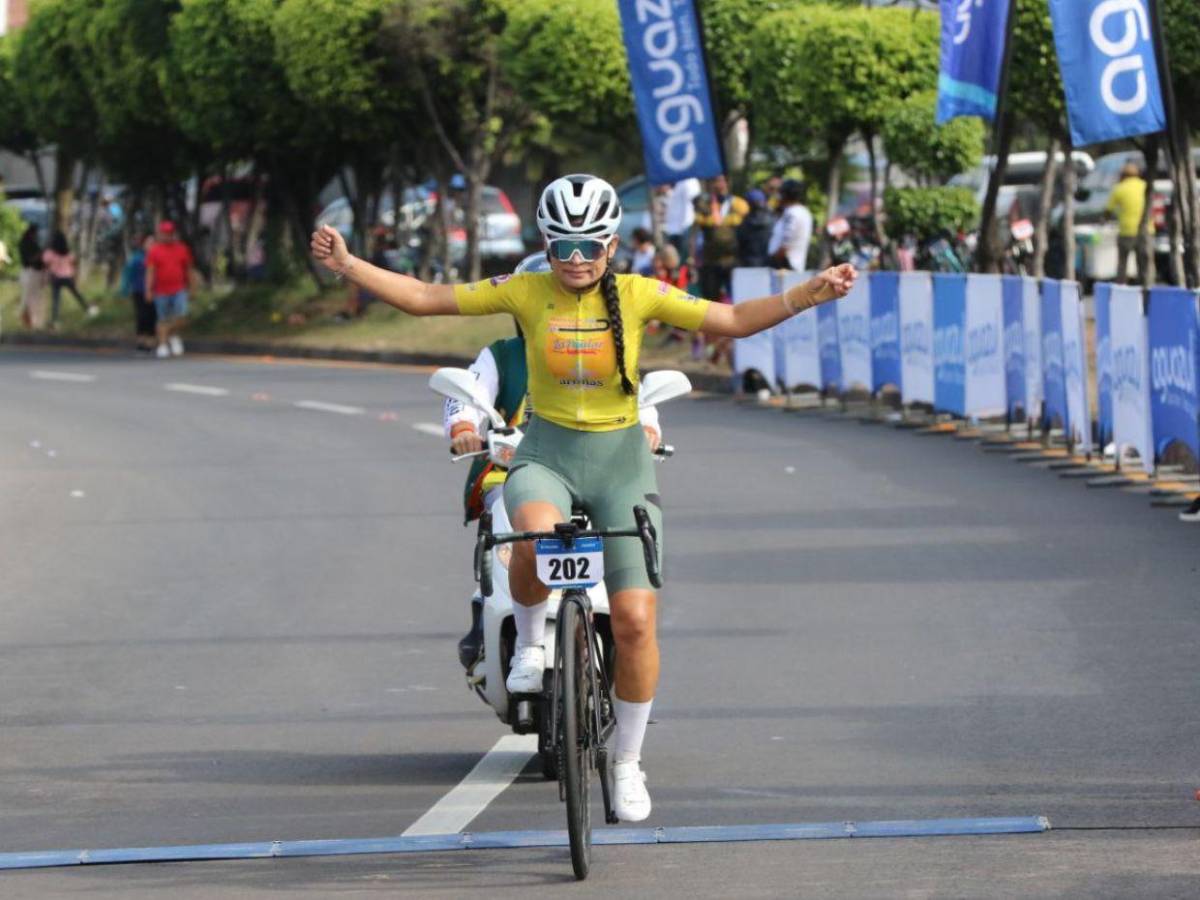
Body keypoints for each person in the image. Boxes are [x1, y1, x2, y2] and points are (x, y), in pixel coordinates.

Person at [311, 173, 855, 822]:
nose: (575, 260)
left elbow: (733, 320)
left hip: (621, 468)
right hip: (547, 456)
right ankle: (534, 645)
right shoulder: (525, 290)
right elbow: (427, 298)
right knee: (533, 538)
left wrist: (810, 293)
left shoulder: (639, 293)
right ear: (546, 241)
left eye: (589, 247)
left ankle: (625, 762)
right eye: (563, 245)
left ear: (612, 244)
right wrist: (348, 264)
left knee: (635, 623)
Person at [448, 251, 663, 669]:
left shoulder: (608, 346)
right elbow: (467, 395)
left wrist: (649, 431)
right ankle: (494, 617)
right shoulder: (501, 356)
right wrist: (464, 431)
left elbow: (637, 401)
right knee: (513, 537)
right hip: (510, 471)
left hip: (600, 471)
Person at [691, 174, 749, 302]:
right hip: (711, 261)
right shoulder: (704, 204)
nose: (718, 185)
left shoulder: (737, 203)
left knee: (736, 297)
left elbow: (744, 217)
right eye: (714, 181)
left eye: (720, 181)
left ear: (727, 183)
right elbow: (698, 223)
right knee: (711, 299)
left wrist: (720, 221)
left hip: (732, 259)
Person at [145, 220, 195, 358]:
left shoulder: (182, 249)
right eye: (164, 233)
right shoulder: (154, 250)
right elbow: (150, 271)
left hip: (179, 289)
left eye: (170, 233)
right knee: (163, 318)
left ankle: (172, 335)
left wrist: (192, 287)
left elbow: (189, 269)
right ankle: (162, 344)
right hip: (161, 290)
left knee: (181, 317)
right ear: (160, 234)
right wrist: (148, 290)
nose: (167, 236)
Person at [1104, 162, 1150, 285]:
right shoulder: (1145, 186)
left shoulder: (1119, 188)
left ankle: (1121, 286)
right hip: (1146, 230)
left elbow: (1108, 211)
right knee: (1144, 263)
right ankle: (1146, 286)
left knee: (1123, 262)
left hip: (1126, 231)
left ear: (1123, 175)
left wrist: (1104, 221)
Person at [43, 230, 97, 326]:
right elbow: (73, 262)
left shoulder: (50, 252)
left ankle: (55, 320)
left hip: (55, 278)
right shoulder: (68, 252)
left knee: (56, 300)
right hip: (68, 277)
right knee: (77, 294)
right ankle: (89, 309)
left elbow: (45, 262)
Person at [769, 179, 814, 272]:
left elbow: (786, 243)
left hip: (785, 266)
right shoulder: (803, 212)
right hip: (794, 265)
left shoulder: (792, 213)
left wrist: (775, 259)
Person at [120, 235, 156, 351]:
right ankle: (141, 340)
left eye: (153, 243)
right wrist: (125, 290)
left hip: (155, 291)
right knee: (142, 315)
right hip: (139, 290)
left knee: (152, 316)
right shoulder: (137, 258)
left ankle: (150, 341)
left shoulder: (158, 256)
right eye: (148, 243)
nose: (151, 245)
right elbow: (127, 274)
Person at [663, 177, 700, 262]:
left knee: (684, 260)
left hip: (685, 226)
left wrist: (685, 227)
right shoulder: (677, 181)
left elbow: (691, 205)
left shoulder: (690, 181)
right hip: (673, 228)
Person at [18, 224, 47, 330]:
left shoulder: (29, 243)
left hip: (32, 272)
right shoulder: (27, 244)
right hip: (31, 272)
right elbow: (30, 259)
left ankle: (31, 321)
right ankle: (30, 321)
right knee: (31, 298)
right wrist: (40, 254)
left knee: (31, 298)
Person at [736, 189, 775, 268]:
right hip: (769, 264)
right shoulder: (774, 221)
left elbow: (739, 244)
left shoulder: (744, 223)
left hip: (748, 264)